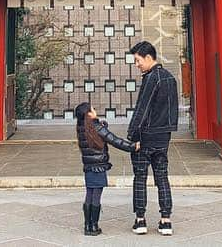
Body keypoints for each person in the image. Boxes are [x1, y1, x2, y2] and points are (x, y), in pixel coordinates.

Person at [127, 41, 179, 236]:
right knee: (162, 177)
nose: (137, 64)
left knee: (140, 178)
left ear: (148, 58)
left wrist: (132, 135)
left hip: (145, 137)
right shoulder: (170, 78)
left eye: (138, 60)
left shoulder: (151, 78)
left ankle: (140, 220)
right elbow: (172, 111)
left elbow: (142, 108)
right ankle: (166, 221)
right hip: (163, 138)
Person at [74, 101, 138, 236]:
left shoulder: (81, 127)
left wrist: (102, 125)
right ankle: (94, 226)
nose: (95, 110)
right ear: (89, 114)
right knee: (96, 196)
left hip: (88, 167)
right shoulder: (96, 127)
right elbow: (115, 140)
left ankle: (88, 226)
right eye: (93, 109)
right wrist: (133, 147)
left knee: (89, 194)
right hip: (99, 167)